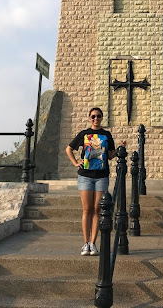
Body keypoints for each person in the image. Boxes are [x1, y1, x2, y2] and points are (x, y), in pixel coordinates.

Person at [66, 107, 125, 256]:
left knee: (98, 209)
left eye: (98, 116)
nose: (96, 119)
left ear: (102, 117)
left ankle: (93, 243)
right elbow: (69, 149)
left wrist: (120, 148)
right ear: (89, 118)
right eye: (93, 116)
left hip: (101, 176)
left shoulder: (106, 135)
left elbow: (110, 155)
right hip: (85, 175)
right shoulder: (84, 134)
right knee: (87, 209)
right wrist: (75, 163)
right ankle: (86, 243)